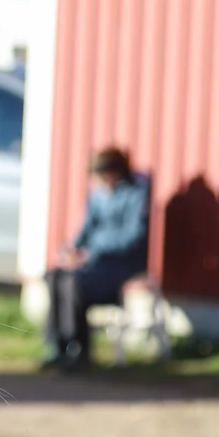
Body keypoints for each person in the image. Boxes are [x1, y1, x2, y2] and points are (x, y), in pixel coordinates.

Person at [44, 147, 150, 369]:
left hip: (120, 264)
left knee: (75, 282)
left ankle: (79, 348)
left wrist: (93, 250)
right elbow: (86, 229)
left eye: (103, 174)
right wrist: (71, 249)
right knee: (55, 275)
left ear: (116, 171)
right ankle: (57, 344)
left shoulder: (135, 193)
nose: (100, 179)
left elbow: (132, 236)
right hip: (93, 263)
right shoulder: (98, 193)